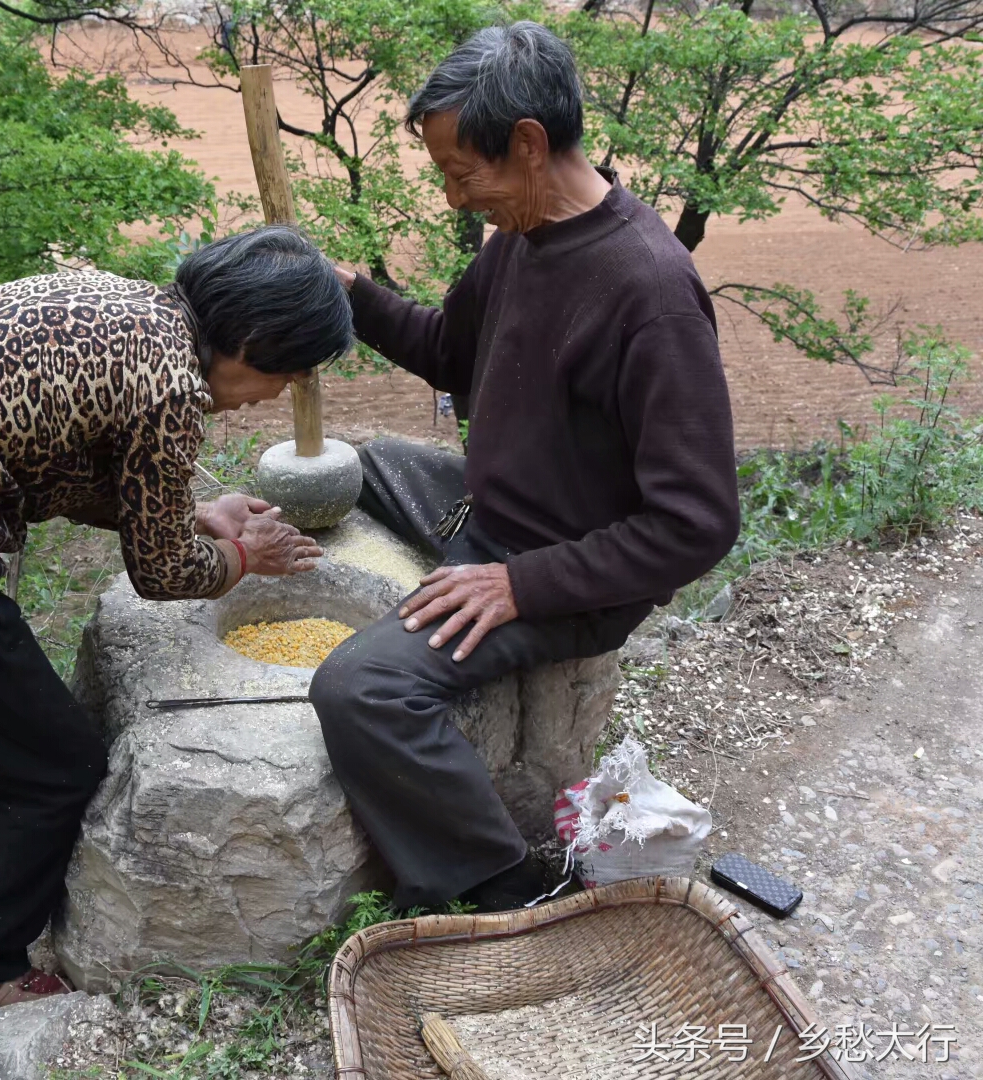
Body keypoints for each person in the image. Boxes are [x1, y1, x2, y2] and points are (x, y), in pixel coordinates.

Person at [0, 226, 353, 1009]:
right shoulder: (172, 384)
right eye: (288, 371)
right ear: (254, 340)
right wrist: (242, 558)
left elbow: (59, 460)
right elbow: (158, 574)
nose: (276, 393)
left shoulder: (138, 312)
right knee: (55, 766)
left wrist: (197, 512)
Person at [310, 22, 740, 912]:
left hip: (563, 572)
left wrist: (518, 585)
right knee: (357, 465)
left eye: (464, 173)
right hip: (488, 510)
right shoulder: (521, 234)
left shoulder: (650, 292)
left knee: (362, 686)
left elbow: (697, 522)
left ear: (531, 145)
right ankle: (464, 550)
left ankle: (499, 886)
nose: (454, 196)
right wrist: (350, 294)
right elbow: (450, 352)